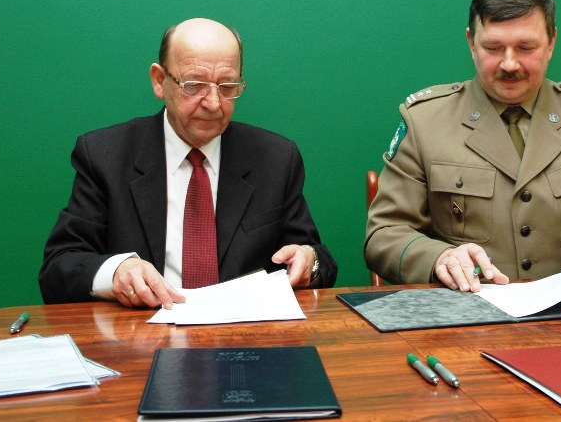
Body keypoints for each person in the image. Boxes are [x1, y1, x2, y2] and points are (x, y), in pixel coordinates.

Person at [365, 0, 561, 302]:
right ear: (471, 43)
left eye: (526, 47)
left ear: (551, 42)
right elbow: (384, 235)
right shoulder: (425, 121)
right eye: (493, 48)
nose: (509, 64)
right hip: (466, 316)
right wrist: (439, 259)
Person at [39, 18, 337, 308]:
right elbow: (58, 268)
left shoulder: (276, 158)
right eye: (194, 85)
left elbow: (318, 259)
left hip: (246, 333)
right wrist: (117, 271)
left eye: (227, 86)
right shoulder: (105, 156)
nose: (213, 103)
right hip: (141, 331)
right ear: (159, 81)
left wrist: (308, 260)